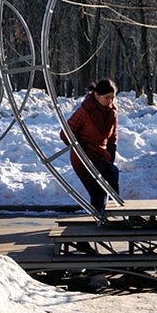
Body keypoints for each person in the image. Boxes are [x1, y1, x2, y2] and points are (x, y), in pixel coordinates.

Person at [60, 79, 119, 213]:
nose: (110, 101)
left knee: (106, 181)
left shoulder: (112, 113)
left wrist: (111, 152)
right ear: (97, 95)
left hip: (100, 154)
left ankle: (107, 213)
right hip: (83, 155)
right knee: (105, 179)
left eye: (112, 97)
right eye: (107, 98)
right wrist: (80, 145)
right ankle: (112, 212)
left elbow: (113, 136)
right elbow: (65, 134)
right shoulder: (84, 111)